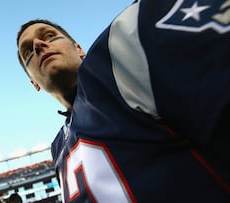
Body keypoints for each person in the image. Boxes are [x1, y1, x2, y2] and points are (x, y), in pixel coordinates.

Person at [16, 0, 230, 202]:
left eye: (50, 36)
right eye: (28, 53)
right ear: (33, 82)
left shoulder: (114, 58)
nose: (38, 45)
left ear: (79, 48)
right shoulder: (58, 148)